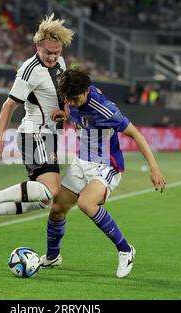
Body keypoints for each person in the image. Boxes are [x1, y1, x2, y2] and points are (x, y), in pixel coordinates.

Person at [0, 13, 74, 249]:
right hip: (34, 134)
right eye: (48, 52)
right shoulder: (29, 70)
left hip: (50, 136)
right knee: (52, 190)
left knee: (43, 200)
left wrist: (66, 111)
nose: (52, 58)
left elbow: (61, 98)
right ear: (37, 45)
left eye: (57, 52)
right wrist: (0, 138)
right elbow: (8, 105)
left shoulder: (60, 64)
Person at [39, 69, 166, 278]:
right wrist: (67, 113)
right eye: (69, 99)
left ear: (87, 91)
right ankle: (52, 257)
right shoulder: (72, 97)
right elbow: (76, 109)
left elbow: (136, 134)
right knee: (57, 209)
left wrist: (154, 168)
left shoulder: (106, 110)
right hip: (81, 162)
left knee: (86, 203)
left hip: (106, 165)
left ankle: (126, 250)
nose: (72, 102)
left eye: (76, 99)